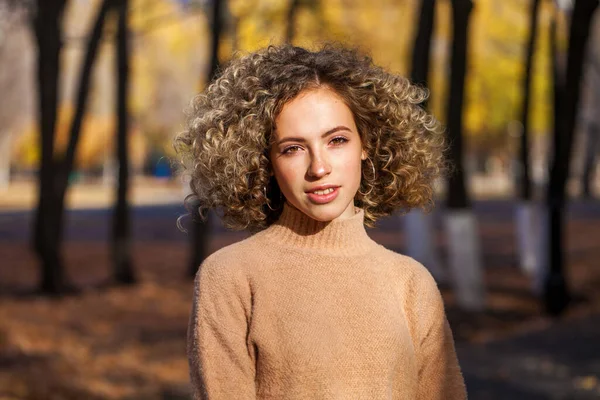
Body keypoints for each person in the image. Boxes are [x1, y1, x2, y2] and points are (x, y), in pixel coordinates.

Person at [176, 44, 467, 400]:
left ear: (366, 144)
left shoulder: (411, 283)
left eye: (337, 140)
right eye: (293, 148)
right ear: (264, 160)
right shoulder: (230, 277)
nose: (319, 167)